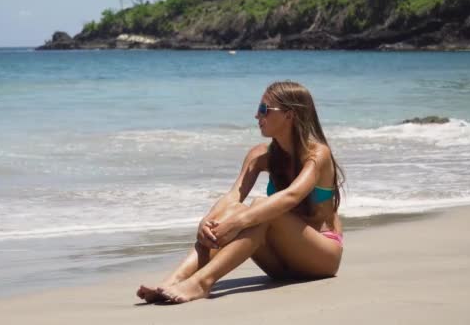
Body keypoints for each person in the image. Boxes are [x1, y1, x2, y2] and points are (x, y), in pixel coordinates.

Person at [136, 81, 345, 304]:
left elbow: (291, 196)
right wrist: (207, 221)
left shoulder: (317, 154)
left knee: (261, 208)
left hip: (321, 258)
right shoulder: (260, 155)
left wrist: (238, 222)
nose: (257, 115)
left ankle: (202, 283)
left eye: (264, 109)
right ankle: (174, 280)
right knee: (235, 210)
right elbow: (233, 196)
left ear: (289, 115)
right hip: (280, 265)